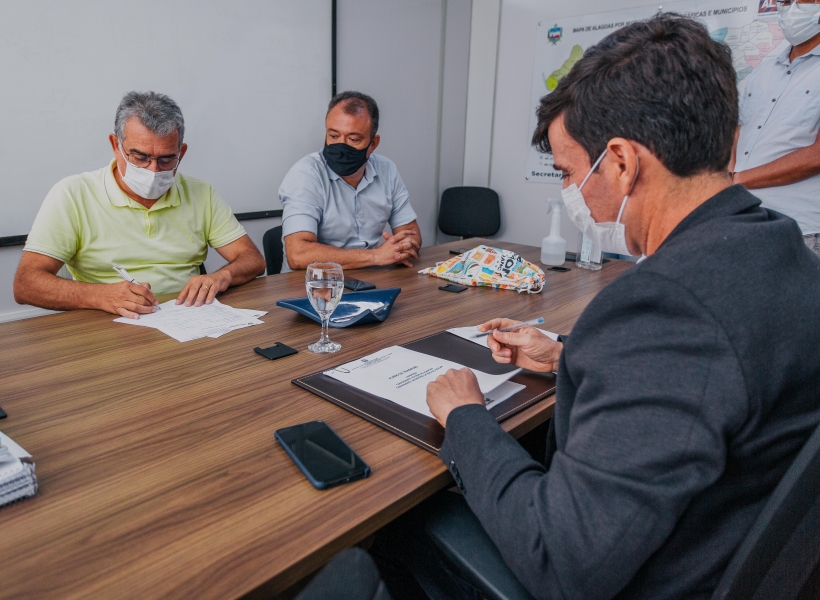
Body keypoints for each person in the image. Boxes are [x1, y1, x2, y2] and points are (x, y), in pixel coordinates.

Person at [373, 14, 820, 600]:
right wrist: (566, 356)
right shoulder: (783, 253)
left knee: (391, 524)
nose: (569, 193)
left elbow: (562, 562)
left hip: (648, 575)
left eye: (568, 173)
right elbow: (706, 383)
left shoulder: (662, 307)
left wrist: (464, 416)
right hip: (721, 541)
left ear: (621, 162)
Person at [14, 92, 265, 318]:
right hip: (106, 324)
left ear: (182, 153)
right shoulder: (72, 194)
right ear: (116, 146)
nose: (153, 170)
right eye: (140, 157)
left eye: (167, 159)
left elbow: (252, 259)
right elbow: (26, 284)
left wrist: (222, 276)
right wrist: (101, 296)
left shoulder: (202, 193)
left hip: (188, 318)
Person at [278, 91, 421, 272]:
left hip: (370, 278)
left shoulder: (387, 170)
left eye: (353, 139)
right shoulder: (305, 175)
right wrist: (376, 256)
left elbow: (411, 234)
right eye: (333, 136)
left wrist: (402, 248)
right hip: (311, 283)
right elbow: (298, 255)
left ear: (373, 144)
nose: (341, 146)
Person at [731, 0, 820, 256]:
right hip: (746, 221)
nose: (789, 9)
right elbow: (739, 129)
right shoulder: (765, 69)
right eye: (785, 2)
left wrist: (737, 180)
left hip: (800, 230)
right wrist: (729, 174)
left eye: (801, 1)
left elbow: (817, 155)